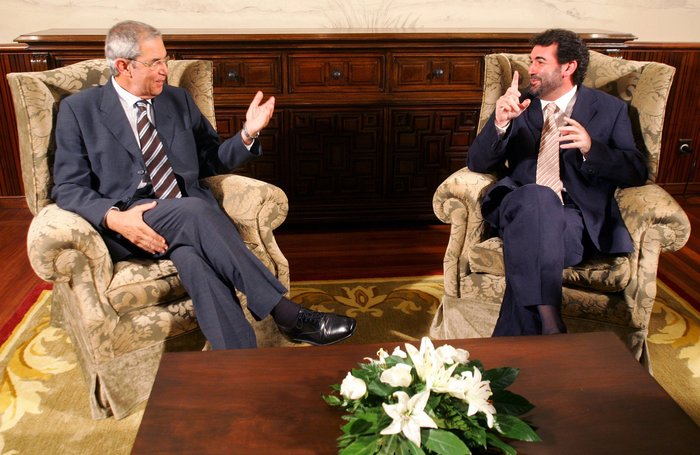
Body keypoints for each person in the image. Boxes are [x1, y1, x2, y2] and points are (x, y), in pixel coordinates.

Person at [51, 20, 356, 349]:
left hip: (189, 226)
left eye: (165, 60)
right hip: (133, 222)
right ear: (124, 66)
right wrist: (115, 218)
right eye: (155, 62)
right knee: (194, 210)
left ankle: (240, 369)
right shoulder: (80, 110)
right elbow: (68, 187)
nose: (165, 70)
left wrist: (247, 134)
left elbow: (211, 160)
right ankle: (285, 313)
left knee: (197, 263)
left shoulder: (176, 101)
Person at [467, 29, 647, 336]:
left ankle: (535, 332)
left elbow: (636, 171)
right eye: (530, 61)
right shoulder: (516, 105)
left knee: (530, 250)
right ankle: (551, 322)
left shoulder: (609, 110)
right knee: (537, 197)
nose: (531, 69)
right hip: (518, 206)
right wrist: (499, 124)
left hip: (572, 222)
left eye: (539, 61)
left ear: (568, 67)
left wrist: (593, 149)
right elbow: (478, 164)